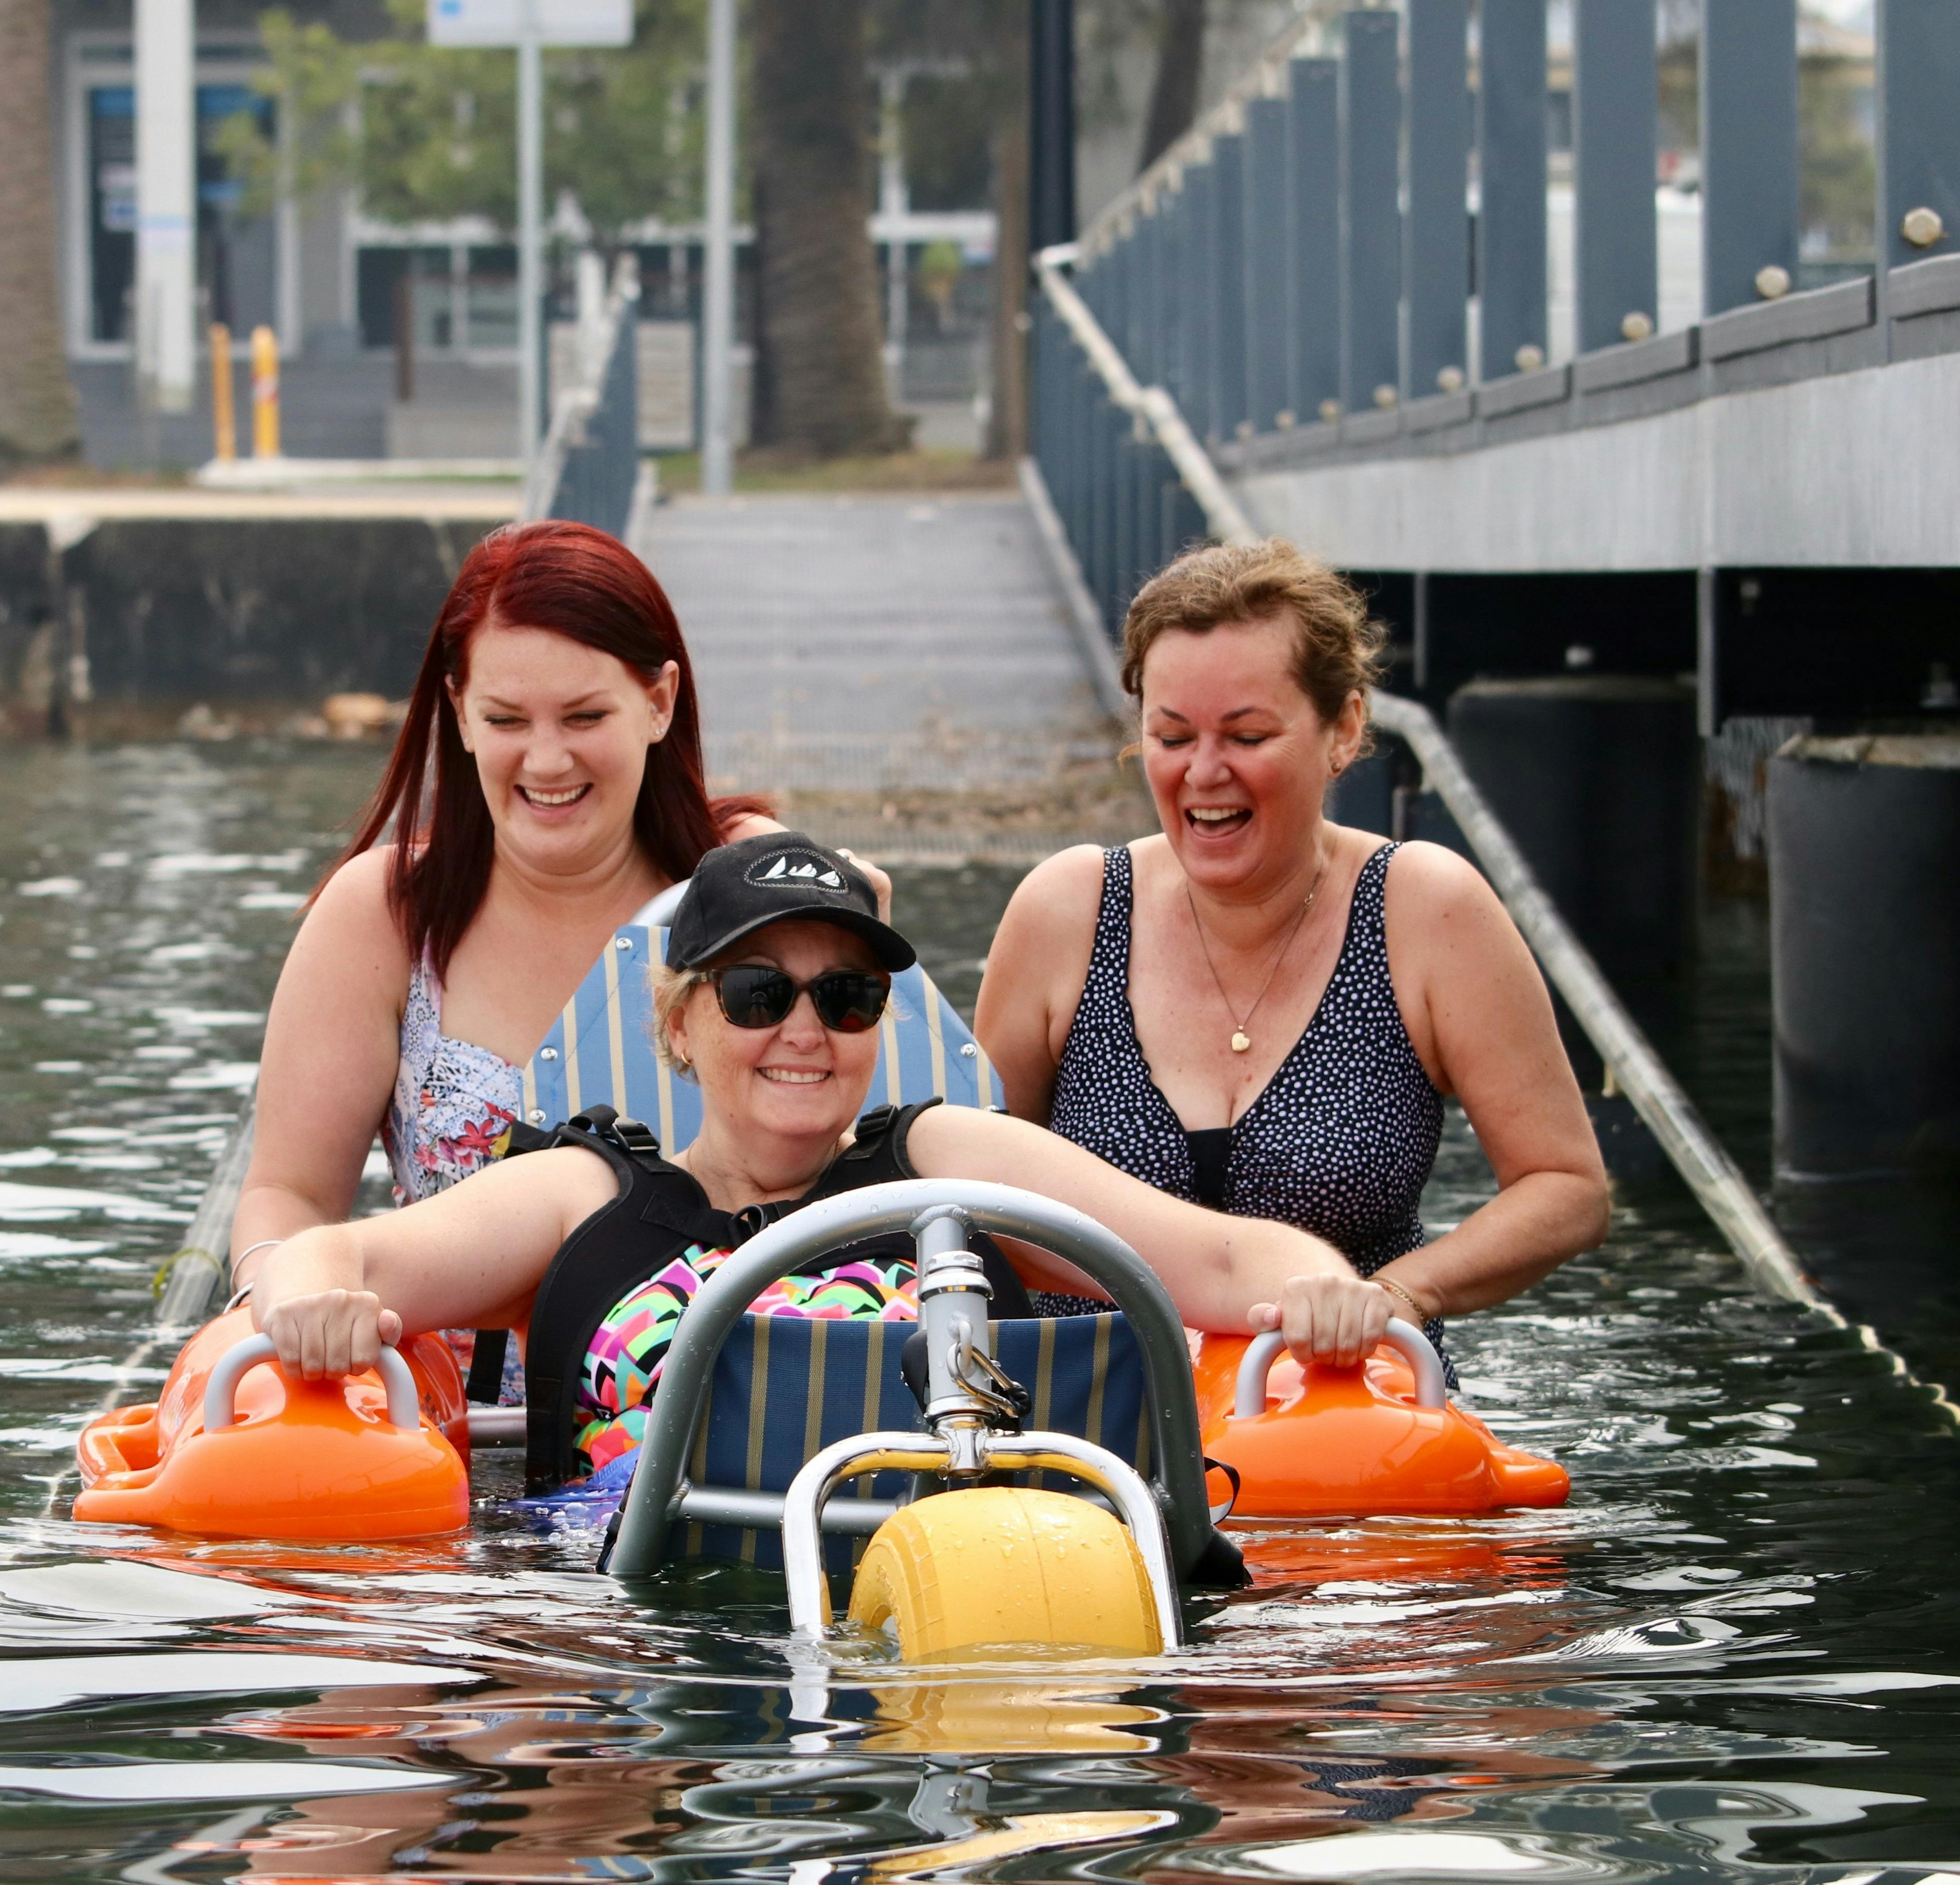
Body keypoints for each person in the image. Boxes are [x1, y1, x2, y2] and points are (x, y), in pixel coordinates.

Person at [252, 835, 1392, 1491]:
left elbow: (1224, 1250)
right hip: (637, 1637)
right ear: (679, 1022)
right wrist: (313, 1307)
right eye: (759, 992)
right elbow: (344, 1250)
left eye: (846, 997)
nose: (806, 1028)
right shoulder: (582, 1191)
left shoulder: (944, 1158)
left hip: (953, 1606)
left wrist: (1322, 1289)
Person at [974, 541, 1607, 1355]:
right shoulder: (1067, 908)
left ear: (1342, 729)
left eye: (1246, 736)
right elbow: (973, 1188)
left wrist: (1393, 1297)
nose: (1204, 773)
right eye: (1172, 738)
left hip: (1341, 1413)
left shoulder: (1424, 909)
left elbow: (1566, 1188)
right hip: (1097, 1421)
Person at [231, 523, 781, 1373]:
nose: (547, 758)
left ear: (660, 702)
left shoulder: (752, 885)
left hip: (703, 1421)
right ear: (458, 712)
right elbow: (289, 1193)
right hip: (443, 1434)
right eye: (506, 718)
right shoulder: (381, 917)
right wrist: (280, 1297)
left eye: (585, 715)